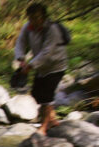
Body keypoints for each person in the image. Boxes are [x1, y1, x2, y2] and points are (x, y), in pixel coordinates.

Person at [15, 3, 68, 135]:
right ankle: (52, 118)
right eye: (31, 18)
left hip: (56, 66)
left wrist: (30, 66)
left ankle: (44, 127)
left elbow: (46, 52)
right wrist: (21, 59)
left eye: (37, 17)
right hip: (41, 68)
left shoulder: (52, 30)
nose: (34, 20)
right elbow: (20, 43)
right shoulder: (28, 27)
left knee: (47, 96)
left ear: (44, 17)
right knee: (37, 94)